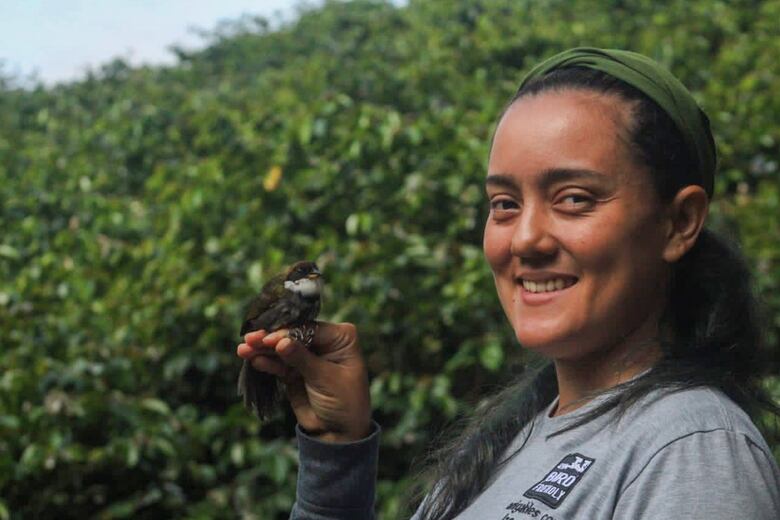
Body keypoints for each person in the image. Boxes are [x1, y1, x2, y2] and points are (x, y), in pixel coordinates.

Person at [236, 48, 780, 519]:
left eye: (574, 198)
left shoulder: (692, 451)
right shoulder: (515, 433)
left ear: (679, 222)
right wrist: (337, 452)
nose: (525, 239)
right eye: (504, 204)